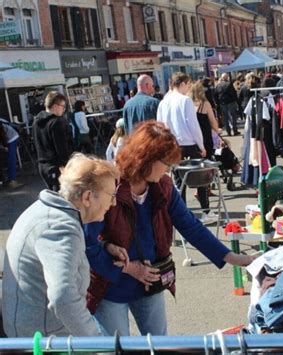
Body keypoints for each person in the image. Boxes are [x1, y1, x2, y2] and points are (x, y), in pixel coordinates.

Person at [85, 121, 254, 336]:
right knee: (117, 348)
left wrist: (233, 258)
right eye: (166, 163)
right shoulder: (109, 186)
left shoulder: (163, 186)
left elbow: (191, 226)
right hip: (112, 286)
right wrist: (129, 268)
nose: (169, 169)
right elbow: (90, 244)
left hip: (151, 281)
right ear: (146, 159)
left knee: (159, 344)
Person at [2, 154, 125, 336]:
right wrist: (95, 341)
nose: (114, 203)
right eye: (112, 195)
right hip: (45, 340)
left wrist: (105, 245)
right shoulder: (60, 228)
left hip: (36, 331)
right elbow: (63, 298)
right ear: (88, 197)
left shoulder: (48, 212)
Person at [156, 72, 216, 224]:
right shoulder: (185, 101)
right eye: (188, 84)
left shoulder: (163, 102)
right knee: (199, 179)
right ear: (182, 84)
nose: (189, 87)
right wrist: (201, 145)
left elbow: (160, 126)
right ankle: (205, 212)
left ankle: (180, 214)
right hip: (188, 144)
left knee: (178, 182)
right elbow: (193, 126)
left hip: (172, 146)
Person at [33, 91, 72, 191]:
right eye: (63, 106)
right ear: (55, 106)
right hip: (57, 167)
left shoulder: (36, 121)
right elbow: (62, 149)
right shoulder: (56, 123)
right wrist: (69, 165)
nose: (64, 109)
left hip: (43, 166)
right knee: (63, 200)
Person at [189, 81, 220, 159]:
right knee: (208, 158)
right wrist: (217, 130)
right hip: (205, 136)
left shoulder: (188, 104)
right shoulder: (205, 104)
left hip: (192, 137)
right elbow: (212, 121)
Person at [0, 119, 22, 188]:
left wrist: (5, 146)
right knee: (11, 160)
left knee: (11, 160)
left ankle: (12, 181)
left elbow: (2, 134)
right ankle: (11, 179)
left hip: (11, 138)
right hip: (12, 136)